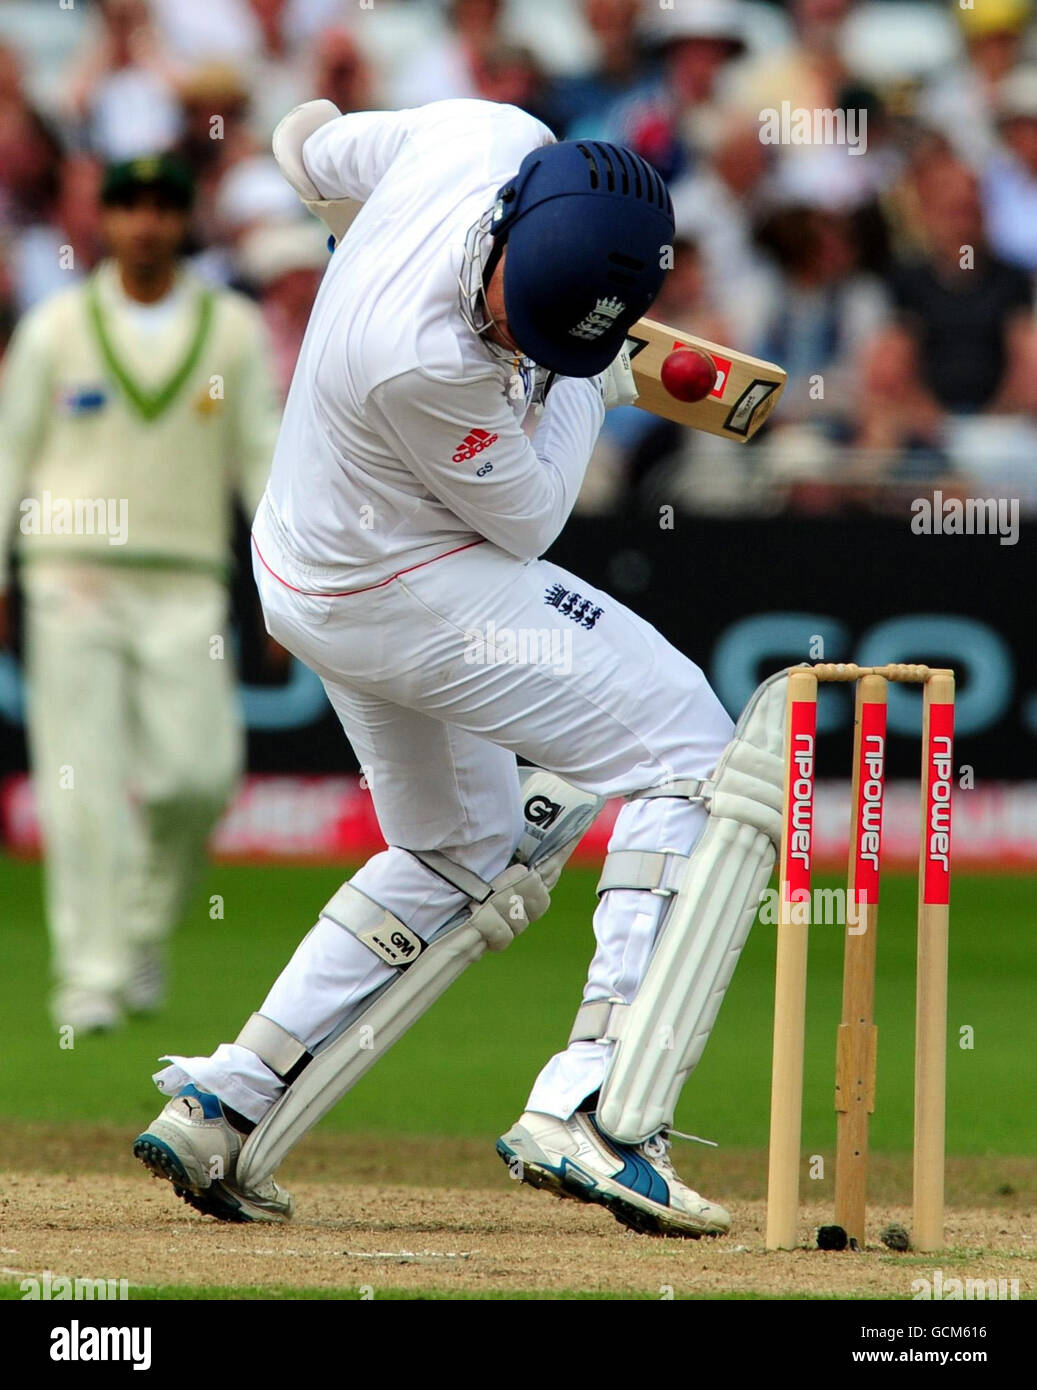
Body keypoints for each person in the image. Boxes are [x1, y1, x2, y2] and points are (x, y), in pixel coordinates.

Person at [134, 100, 785, 1240]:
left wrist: (360, 223)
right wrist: (595, 379)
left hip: (314, 559)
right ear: (503, 226)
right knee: (694, 747)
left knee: (460, 848)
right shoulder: (421, 354)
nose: (507, 333)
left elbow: (304, 142)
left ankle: (226, 1101)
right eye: (512, 312)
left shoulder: (474, 131)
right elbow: (530, 520)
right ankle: (602, 1101)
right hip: (399, 581)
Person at [0, 155, 280, 1031]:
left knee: (198, 778)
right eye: (131, 208)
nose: (147, 225)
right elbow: (9, 453)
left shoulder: (230, 327)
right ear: (106, 222)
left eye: (164, 208)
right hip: (69, 573)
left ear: (184, 220)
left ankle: (142, 929)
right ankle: (89, 975)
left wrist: (283, 578)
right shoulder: (55, 326)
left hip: (185, 579)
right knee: (78, 782)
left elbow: (261, 455)